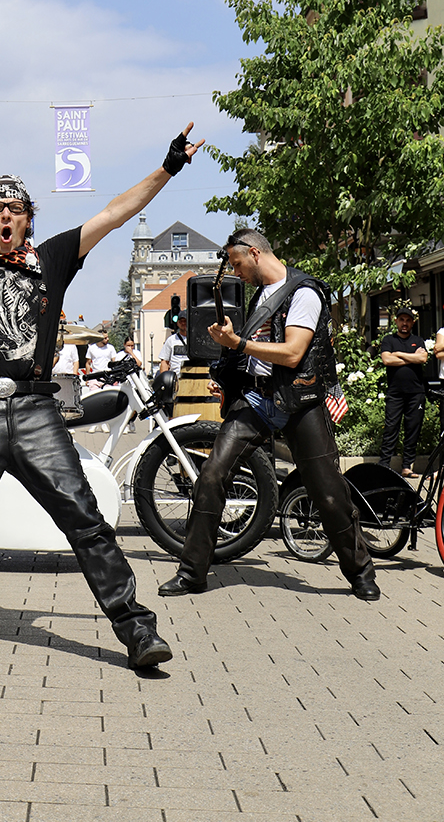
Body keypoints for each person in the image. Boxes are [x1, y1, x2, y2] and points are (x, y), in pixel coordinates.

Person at [0, 124, 204, 670]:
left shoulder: (53, 259)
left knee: (83, 516)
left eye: (15, 209)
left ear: (29, 218)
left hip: (36, 408)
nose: (5, 217)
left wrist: (168, 167)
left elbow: (114, 213)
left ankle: (135, 629)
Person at [158, 228, 379, 602]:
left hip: (300, 402)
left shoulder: (303, 293)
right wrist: (231, 378)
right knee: (211, 475)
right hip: (257, 401)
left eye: (237, 262)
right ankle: (192, 573)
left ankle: (360, 573)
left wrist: (239, 342)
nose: (235, 271)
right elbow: (254, 356)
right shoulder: (260, 294)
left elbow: (293, 353)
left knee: (327, 492)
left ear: (255, 254)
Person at [378, 307, 428, 477]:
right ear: (396, 321)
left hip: (416, 393)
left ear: (412, 322)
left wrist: (398, 354)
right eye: (402, 320)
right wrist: (410, 357)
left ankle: (407, 467)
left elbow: (422, 358)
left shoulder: (418, 340)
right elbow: (386, 359)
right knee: (391, 428)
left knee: (412, 428)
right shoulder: (388, 340)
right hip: (395, 393)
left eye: (408, 320)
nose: (404, 323)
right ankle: (384, 465)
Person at [158, 311, 188, 377]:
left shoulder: (196, 340)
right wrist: (164, 379)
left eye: (185, 321)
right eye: (181, 321)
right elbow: (164, 362)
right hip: (176, 378)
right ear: (177, 323)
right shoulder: (171, 340)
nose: (183, 323)